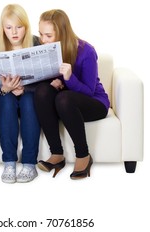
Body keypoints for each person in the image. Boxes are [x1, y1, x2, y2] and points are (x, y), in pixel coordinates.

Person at [34, 9, 110, 179]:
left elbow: (89, 92)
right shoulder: (49, 50)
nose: (43, 40)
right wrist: (54, 83)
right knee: (42, 91)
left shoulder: (86, 51)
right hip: (66, 102)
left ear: (61, 33)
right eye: (41, 35)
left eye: (48, 36)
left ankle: (83, 155)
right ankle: (57, 154)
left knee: (64, 98)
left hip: (95, 103)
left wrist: (69, 78)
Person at [0, 4, 41, 183]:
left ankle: (29, 164)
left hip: (29, 95)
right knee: (7, 101)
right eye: (9, 27)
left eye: (19, 27)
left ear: (26, 26)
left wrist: (25, 88)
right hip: (5, 96)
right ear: (3, 28)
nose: (14, 32)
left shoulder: (37, 42)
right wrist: (4, 89)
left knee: (28, 101)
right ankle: (9, 162)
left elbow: (47, 80)